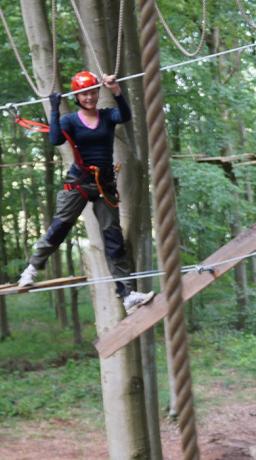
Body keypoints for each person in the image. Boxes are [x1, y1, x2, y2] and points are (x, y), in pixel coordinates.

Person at [17, 70, 154, 313]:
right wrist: (55, 108)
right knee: (59, 227)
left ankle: (127, 294)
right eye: (84, 94)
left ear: (97, 93)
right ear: (77, 97)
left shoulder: (107, 116)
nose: (89, 97)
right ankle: (31, 269)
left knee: (113, 239)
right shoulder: (70, 120)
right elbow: (56, 140)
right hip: (78, 182)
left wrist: (116, 91)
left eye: (92, 92)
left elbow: (125, 115)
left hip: (104, 185)